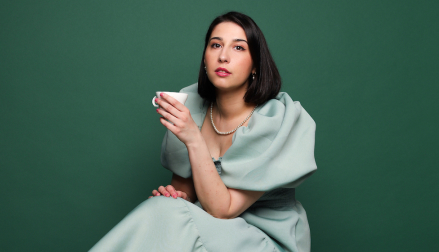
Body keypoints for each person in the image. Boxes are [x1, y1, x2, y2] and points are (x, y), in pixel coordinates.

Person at [90, 11, 317, 252]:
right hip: (210, 231)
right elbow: (185, 192)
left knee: (166, 214)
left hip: (264, 238)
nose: (223, 56)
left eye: (238, 48)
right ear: (205, 58)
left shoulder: (274, 120)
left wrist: (192, 138)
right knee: (163, 207)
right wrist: (174, 196)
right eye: (215, 45)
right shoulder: (192, 107)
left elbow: (223, 210)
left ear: (255, 65)